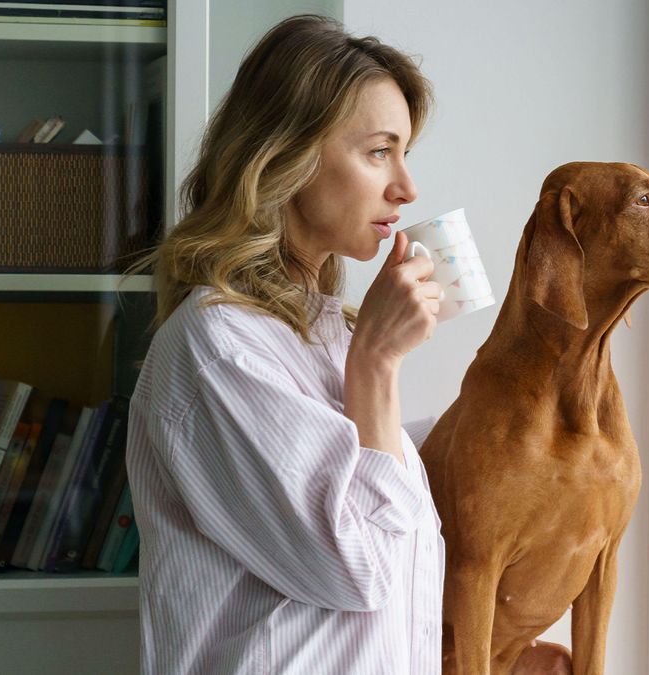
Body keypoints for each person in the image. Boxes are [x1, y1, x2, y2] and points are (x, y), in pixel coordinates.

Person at [125, 15, 446, 675]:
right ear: (286, 156)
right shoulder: (217, 347)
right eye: (378, 151)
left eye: (404, 152)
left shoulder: (325, 334)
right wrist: (378, 366)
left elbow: (371, 511)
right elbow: (357, 569)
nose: (406, 188)